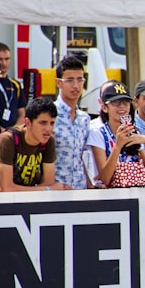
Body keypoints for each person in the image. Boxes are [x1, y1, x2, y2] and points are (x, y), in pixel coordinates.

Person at [0, 96, 69, 192]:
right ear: (28, 122)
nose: (48, 129)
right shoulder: (8, 139)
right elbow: (7, 188)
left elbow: (48, 182)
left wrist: (46, 188)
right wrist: (47, 189)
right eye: (43, 123)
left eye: (52, 123)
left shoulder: (49, 141)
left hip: (28, 199)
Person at [88, 81, 145, 187]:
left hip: (134, 193)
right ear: (105, 107)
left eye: (125, 102)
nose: (122, 107)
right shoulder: (98, 132)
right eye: (116, 102)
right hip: (109, 196)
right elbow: (105, 178)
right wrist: (118, 146)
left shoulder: (134, 131)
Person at [52, 55, 92, 190]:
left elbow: (81, 156)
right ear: (59, 83)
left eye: (80, 80)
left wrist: (89, 184)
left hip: (80, 189)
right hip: (56, 190)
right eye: (70, 80)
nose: (76, 86)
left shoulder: (84, 119)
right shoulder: (50, 114)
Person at [0, 42, 26, 127]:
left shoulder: (16, 85)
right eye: (0, 59)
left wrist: (15, 130)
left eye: (7, 59)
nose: (4, 63)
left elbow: (22, 112)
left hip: (14, 132)